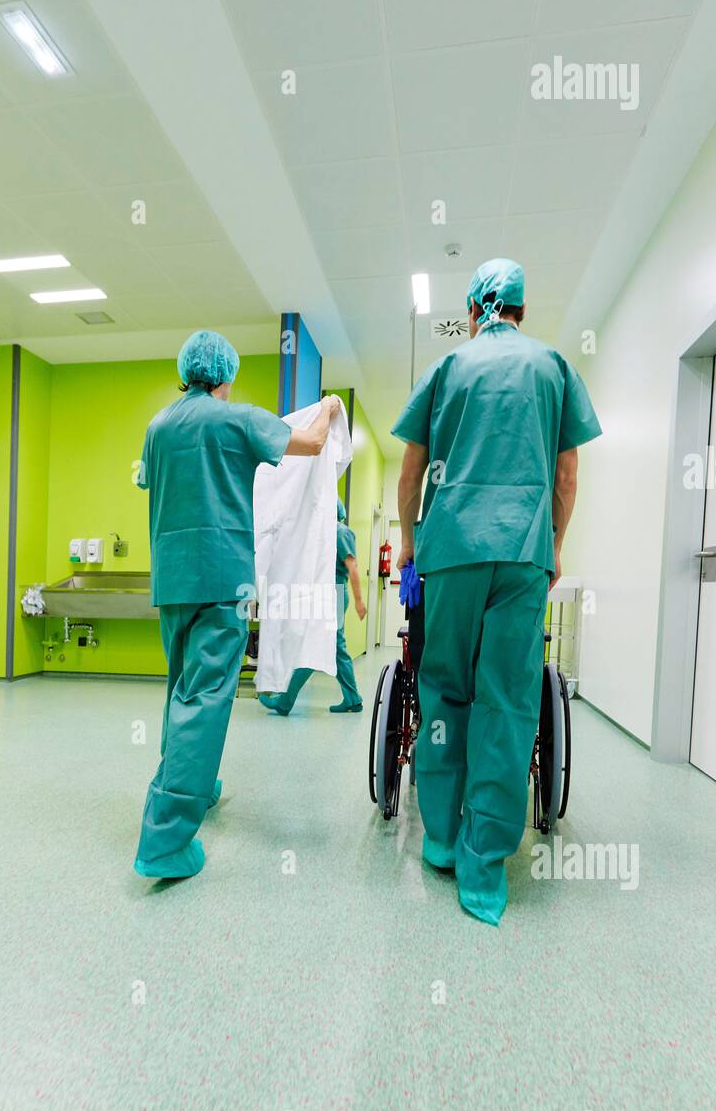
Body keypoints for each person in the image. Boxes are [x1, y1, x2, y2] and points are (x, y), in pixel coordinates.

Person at [392, 258, 601, 926]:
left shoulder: (447, 368)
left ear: (474, 306)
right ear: (520, 308)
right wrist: (554, 545)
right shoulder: (553, 368)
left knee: (445, 689)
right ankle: (484, 870)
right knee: (507, 703)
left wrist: (411, 543)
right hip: (520, 554)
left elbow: (410, 472)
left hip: (450, 551)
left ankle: (442, 840)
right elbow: (565, 475)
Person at [135, 329, 341, 879]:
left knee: (182, 689)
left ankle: (195, 786)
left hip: (173, 580)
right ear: (225, 375)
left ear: (185, 371)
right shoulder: (237, 418)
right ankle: (165, 839)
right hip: (222, 579)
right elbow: (313, 442)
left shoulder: (157, 427)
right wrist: (329, 407)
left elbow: (144, 481)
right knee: (205, 698)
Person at [258, 497, 366, 716]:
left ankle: (285, 701)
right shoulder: (323, 534)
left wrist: (359, 600)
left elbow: (352, 566)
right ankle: (352, 698)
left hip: (333, 592)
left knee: (315, 645)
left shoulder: (340, 532)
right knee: (335, 648)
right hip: (325, 592)